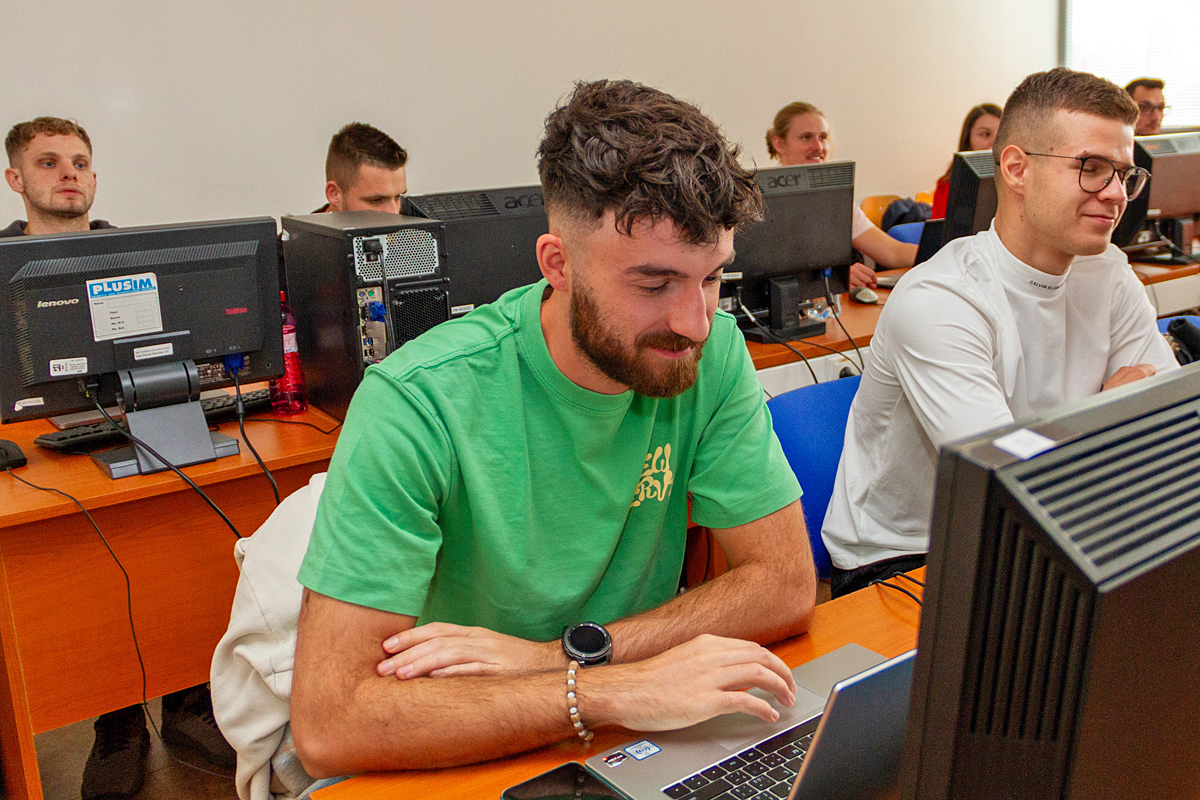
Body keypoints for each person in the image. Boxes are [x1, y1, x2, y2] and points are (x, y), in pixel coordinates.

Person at [287, 79, 817, 781]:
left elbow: (785, 584)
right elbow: (330, 722)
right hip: (456, 747)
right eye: (654, 285)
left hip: (630, 741)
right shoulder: (417, 402)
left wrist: (564, 656)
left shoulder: (709, 351)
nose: (695, 322)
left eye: (713, 277)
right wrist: (606, 689)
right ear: (558, 266)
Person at [820, 67, 1179, 599]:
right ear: (1016, 169)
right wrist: (1110, 415)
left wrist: (1108, 436)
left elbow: (1170, 439)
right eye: (1092, 168)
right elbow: (1014, 492)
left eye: (1124, 174)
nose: (1115, 195)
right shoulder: (941, 299)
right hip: (911, 556)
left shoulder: (1108, 270)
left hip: (1063, 525)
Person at [4, 116, 237, 800]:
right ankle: (118, 719)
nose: (68, 174)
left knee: (181, 538)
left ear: (96, 178)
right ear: (16, 179)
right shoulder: (2, 270)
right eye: (49, 162)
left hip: (140, 425)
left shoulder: (136, 256)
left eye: (79, 162)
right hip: (41, 455)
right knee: (84, 572)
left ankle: (188, 699)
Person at [766, 102, 917, 290]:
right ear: (779, 144)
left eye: (823, 137)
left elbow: (892, 252)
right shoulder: (760, 202)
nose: (818, 146)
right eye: (806, 138)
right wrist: (833, 277)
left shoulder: (836, 200)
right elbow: (765, 276)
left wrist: (946, 251)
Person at [280, 122, 409, 295]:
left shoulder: (414, 245)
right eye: (376, 200)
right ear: (334, 194)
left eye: (398, 197)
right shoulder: (286, 259)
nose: (394, 213)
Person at [931, 103, 1002, 219]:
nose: (995, 143)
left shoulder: (1019, 182)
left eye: (1001, 135)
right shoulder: (947, 186)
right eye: (985, 134)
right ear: (968, 141)